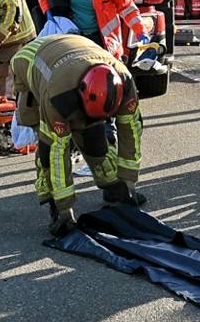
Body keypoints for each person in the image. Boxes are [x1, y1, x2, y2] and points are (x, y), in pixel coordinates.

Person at [10, 32, 144, 235]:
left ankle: (113, 189)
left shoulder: (125, 83)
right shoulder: (58, 97)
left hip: (76, 53)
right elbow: (56, 151)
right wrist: (65, 208)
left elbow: (130, 131)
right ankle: (53, 202)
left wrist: (128, 182)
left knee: (94, 140)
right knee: (47, 147)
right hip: (32, 61)